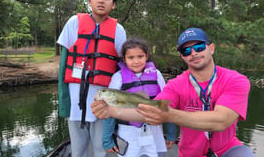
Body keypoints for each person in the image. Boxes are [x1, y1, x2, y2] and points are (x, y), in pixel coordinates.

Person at [91, 28, 256, 157]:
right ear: (182, 57)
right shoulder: (175, 84)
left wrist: (168, 115)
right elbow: (149, 110)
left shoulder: (235, 80)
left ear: (211, 48)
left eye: (199, 47)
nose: (193, 53)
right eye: (186, 51)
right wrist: (111, 111)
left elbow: (222, 121)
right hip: (190, 153)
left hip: (227, 149)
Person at [57, 0, 127, 157]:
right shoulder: (74, 22)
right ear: (89, 1)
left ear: (113, 4)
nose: (101, 0)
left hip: (103, 101)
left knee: (100, 148)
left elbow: (122, 70)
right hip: (75, 102)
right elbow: (63, 65)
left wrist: (119, 105)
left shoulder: (118, 30)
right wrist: (64, 103)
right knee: (78, 149)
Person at [102, 38, 177, 157]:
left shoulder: (156, 74)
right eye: (131, 58)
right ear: (124, 59)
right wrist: (107, 139)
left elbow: (167, 105)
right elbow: (110, 109)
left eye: (140, 56)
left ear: (146, 56)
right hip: (128, 133)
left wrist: (171, 133)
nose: (136, 61)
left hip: (154, 131)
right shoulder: (118, 78)